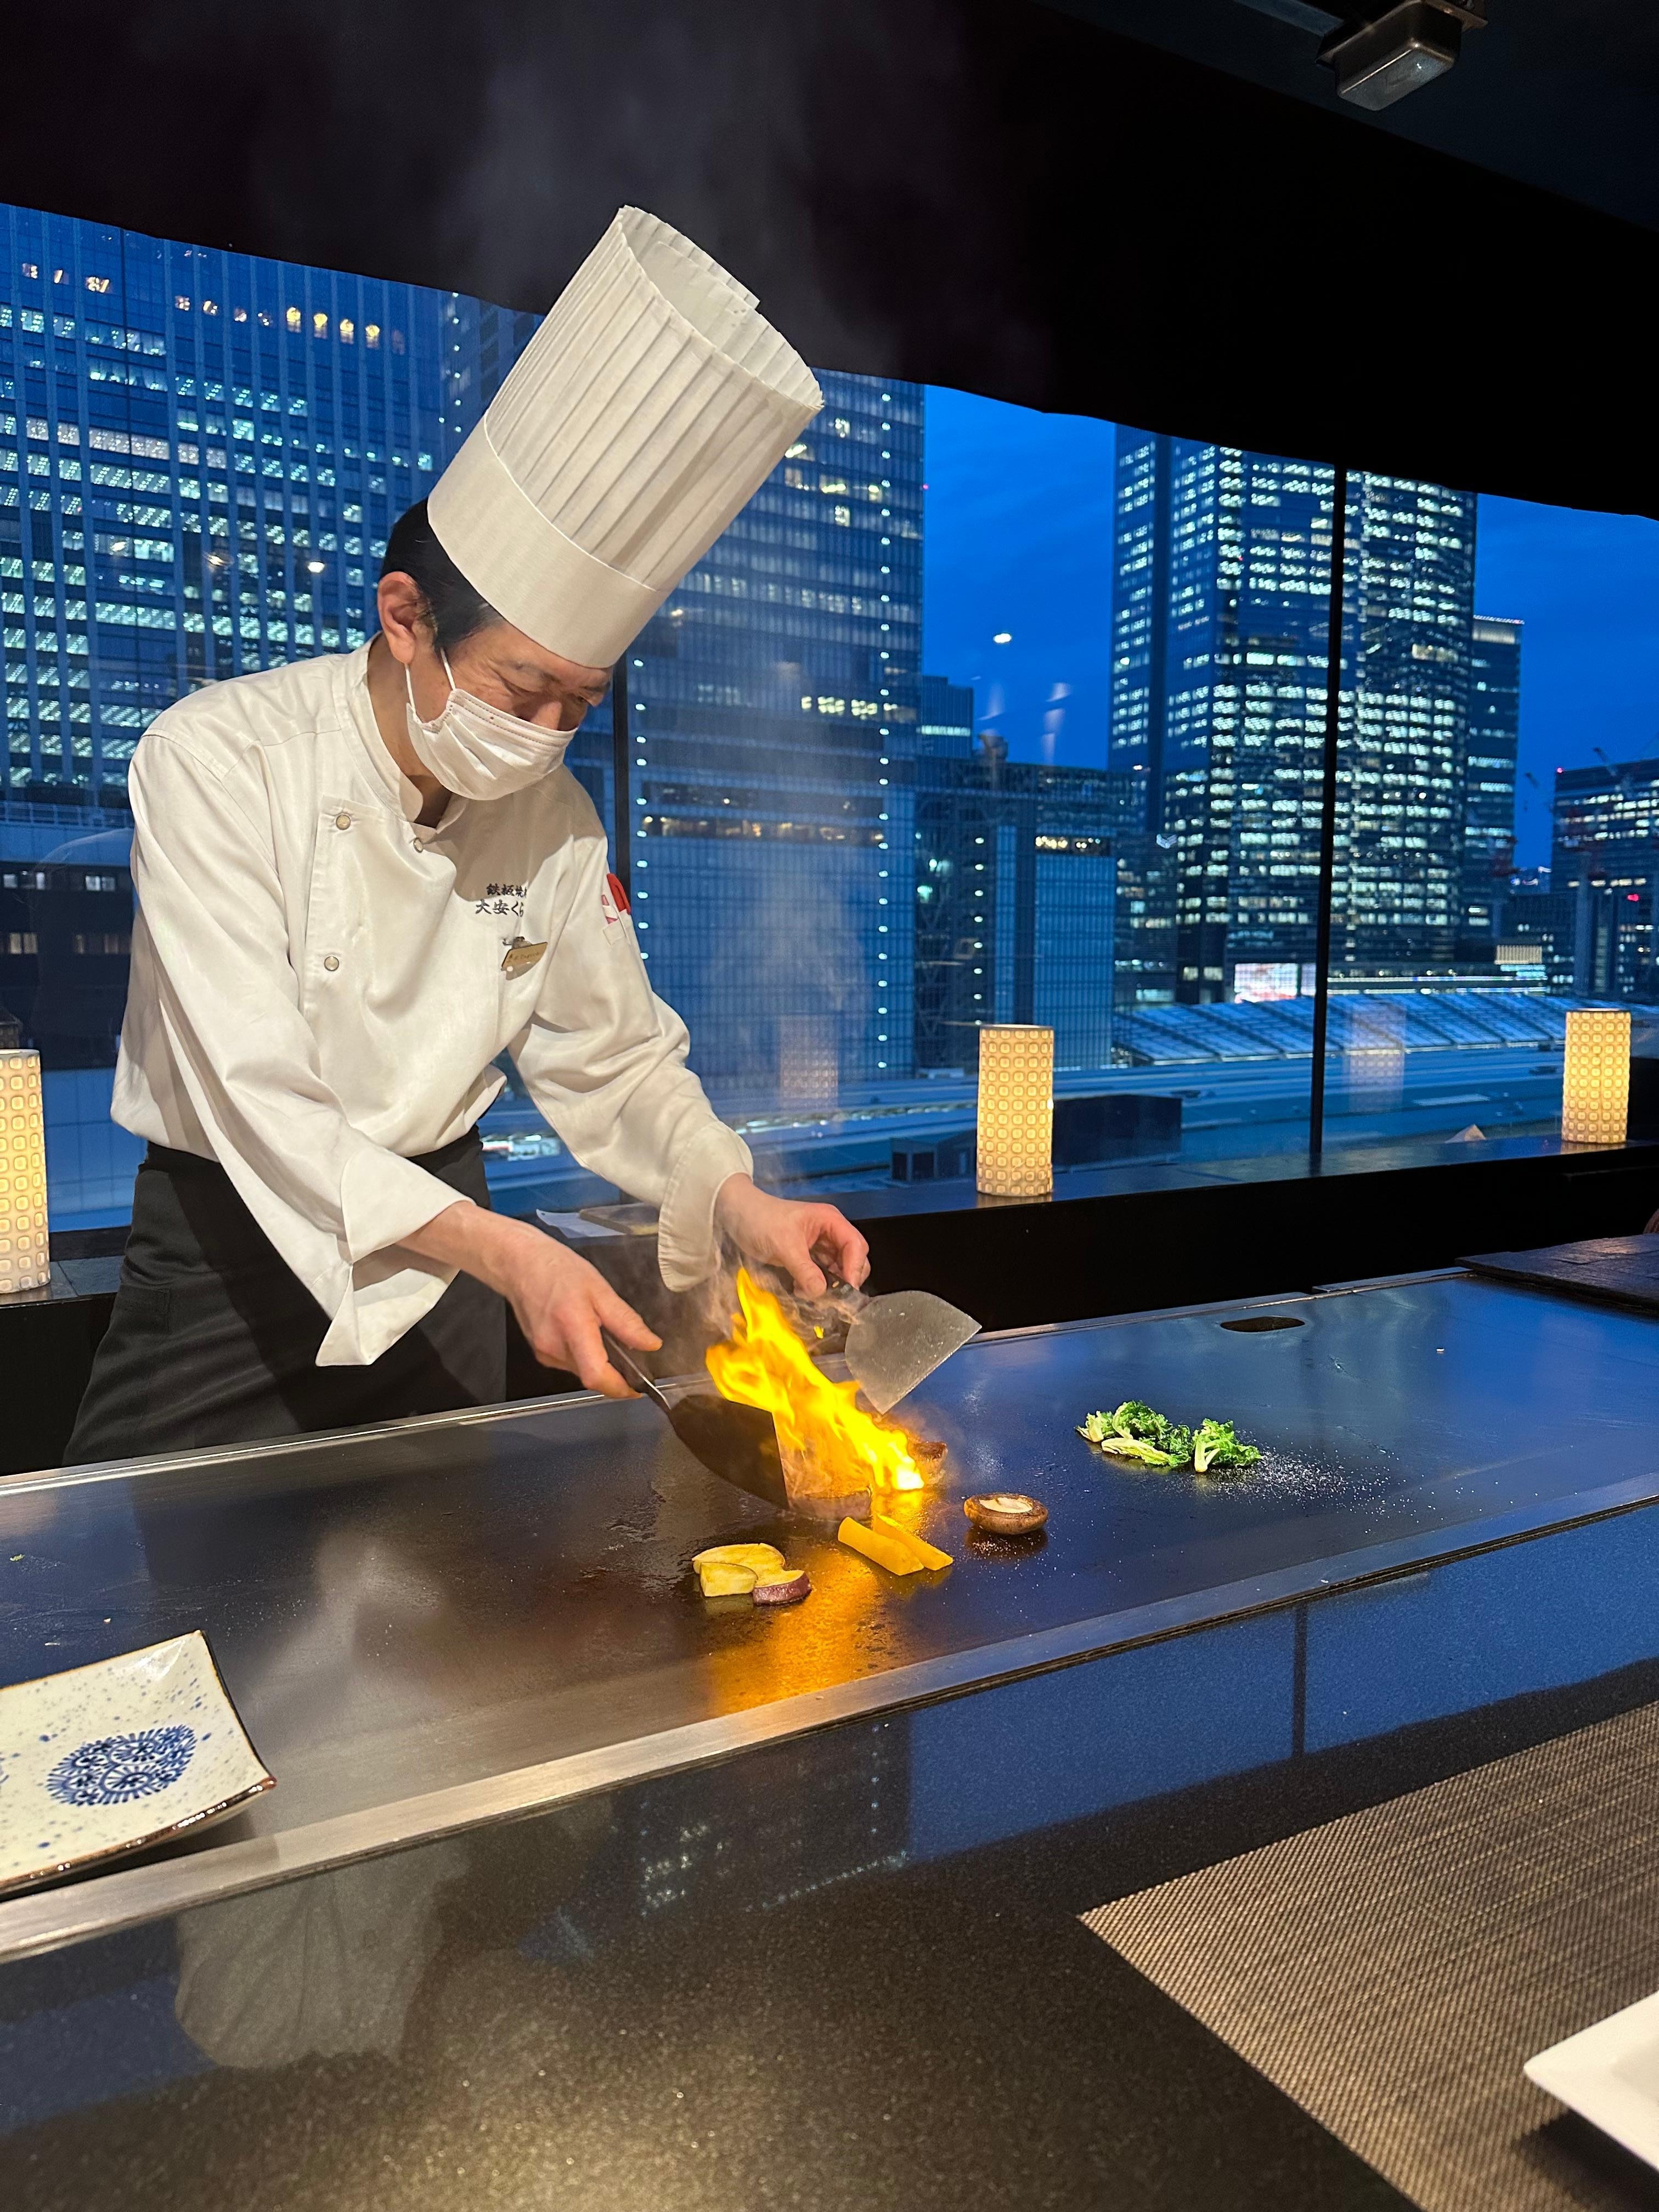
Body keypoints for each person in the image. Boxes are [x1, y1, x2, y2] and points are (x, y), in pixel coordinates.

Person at [66, 208, 867, 1463]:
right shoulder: (215, 759)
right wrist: (510, 1254)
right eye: (521, 690)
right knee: (130, 1566)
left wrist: (735, 1194)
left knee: (455, 1573)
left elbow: (614, 1061)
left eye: (578, 705)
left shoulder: (554, 819)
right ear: (406, 618)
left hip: (455, 1259)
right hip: (229, 1253)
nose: (544, 735)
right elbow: (260, 1100)